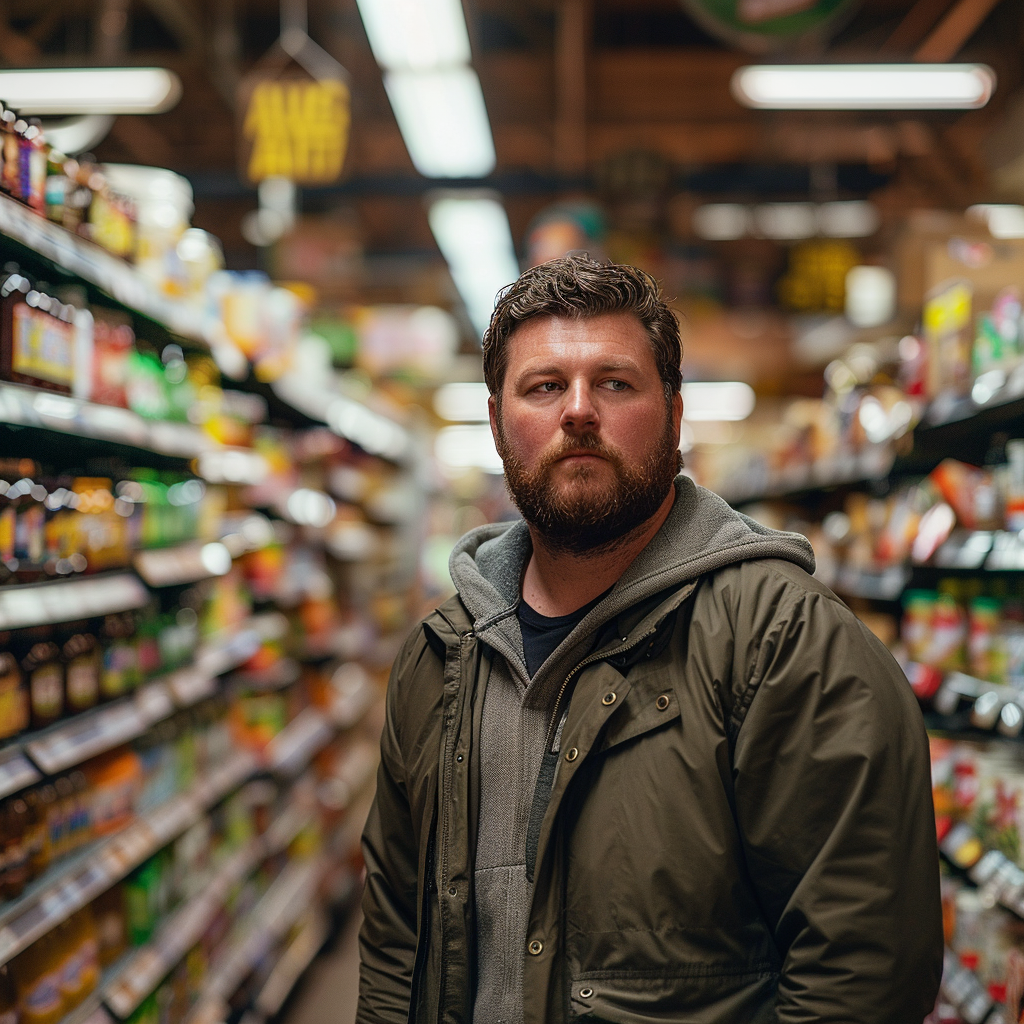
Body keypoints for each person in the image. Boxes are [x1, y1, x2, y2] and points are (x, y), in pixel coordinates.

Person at [357, 254, 943, 1024]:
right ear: (498, 419)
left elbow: (865, 972)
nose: (577, 411)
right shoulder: (440, 657)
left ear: (673, 413)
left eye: (615, 382)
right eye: (543, 386)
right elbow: (397, 941)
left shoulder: (787, 645)